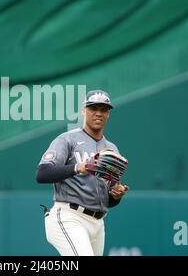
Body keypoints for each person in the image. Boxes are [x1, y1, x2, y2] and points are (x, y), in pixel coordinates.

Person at [36, 90, 129, 256]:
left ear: (108, 114)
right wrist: (78, 167)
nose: (98, 113)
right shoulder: (67, 139)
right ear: (83, 111)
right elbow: (42, 174)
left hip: (98, 223)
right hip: (69, 216)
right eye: (93, 108)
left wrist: (116, 195)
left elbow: (106, 201)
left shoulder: (112, 149)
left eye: (103, 109)